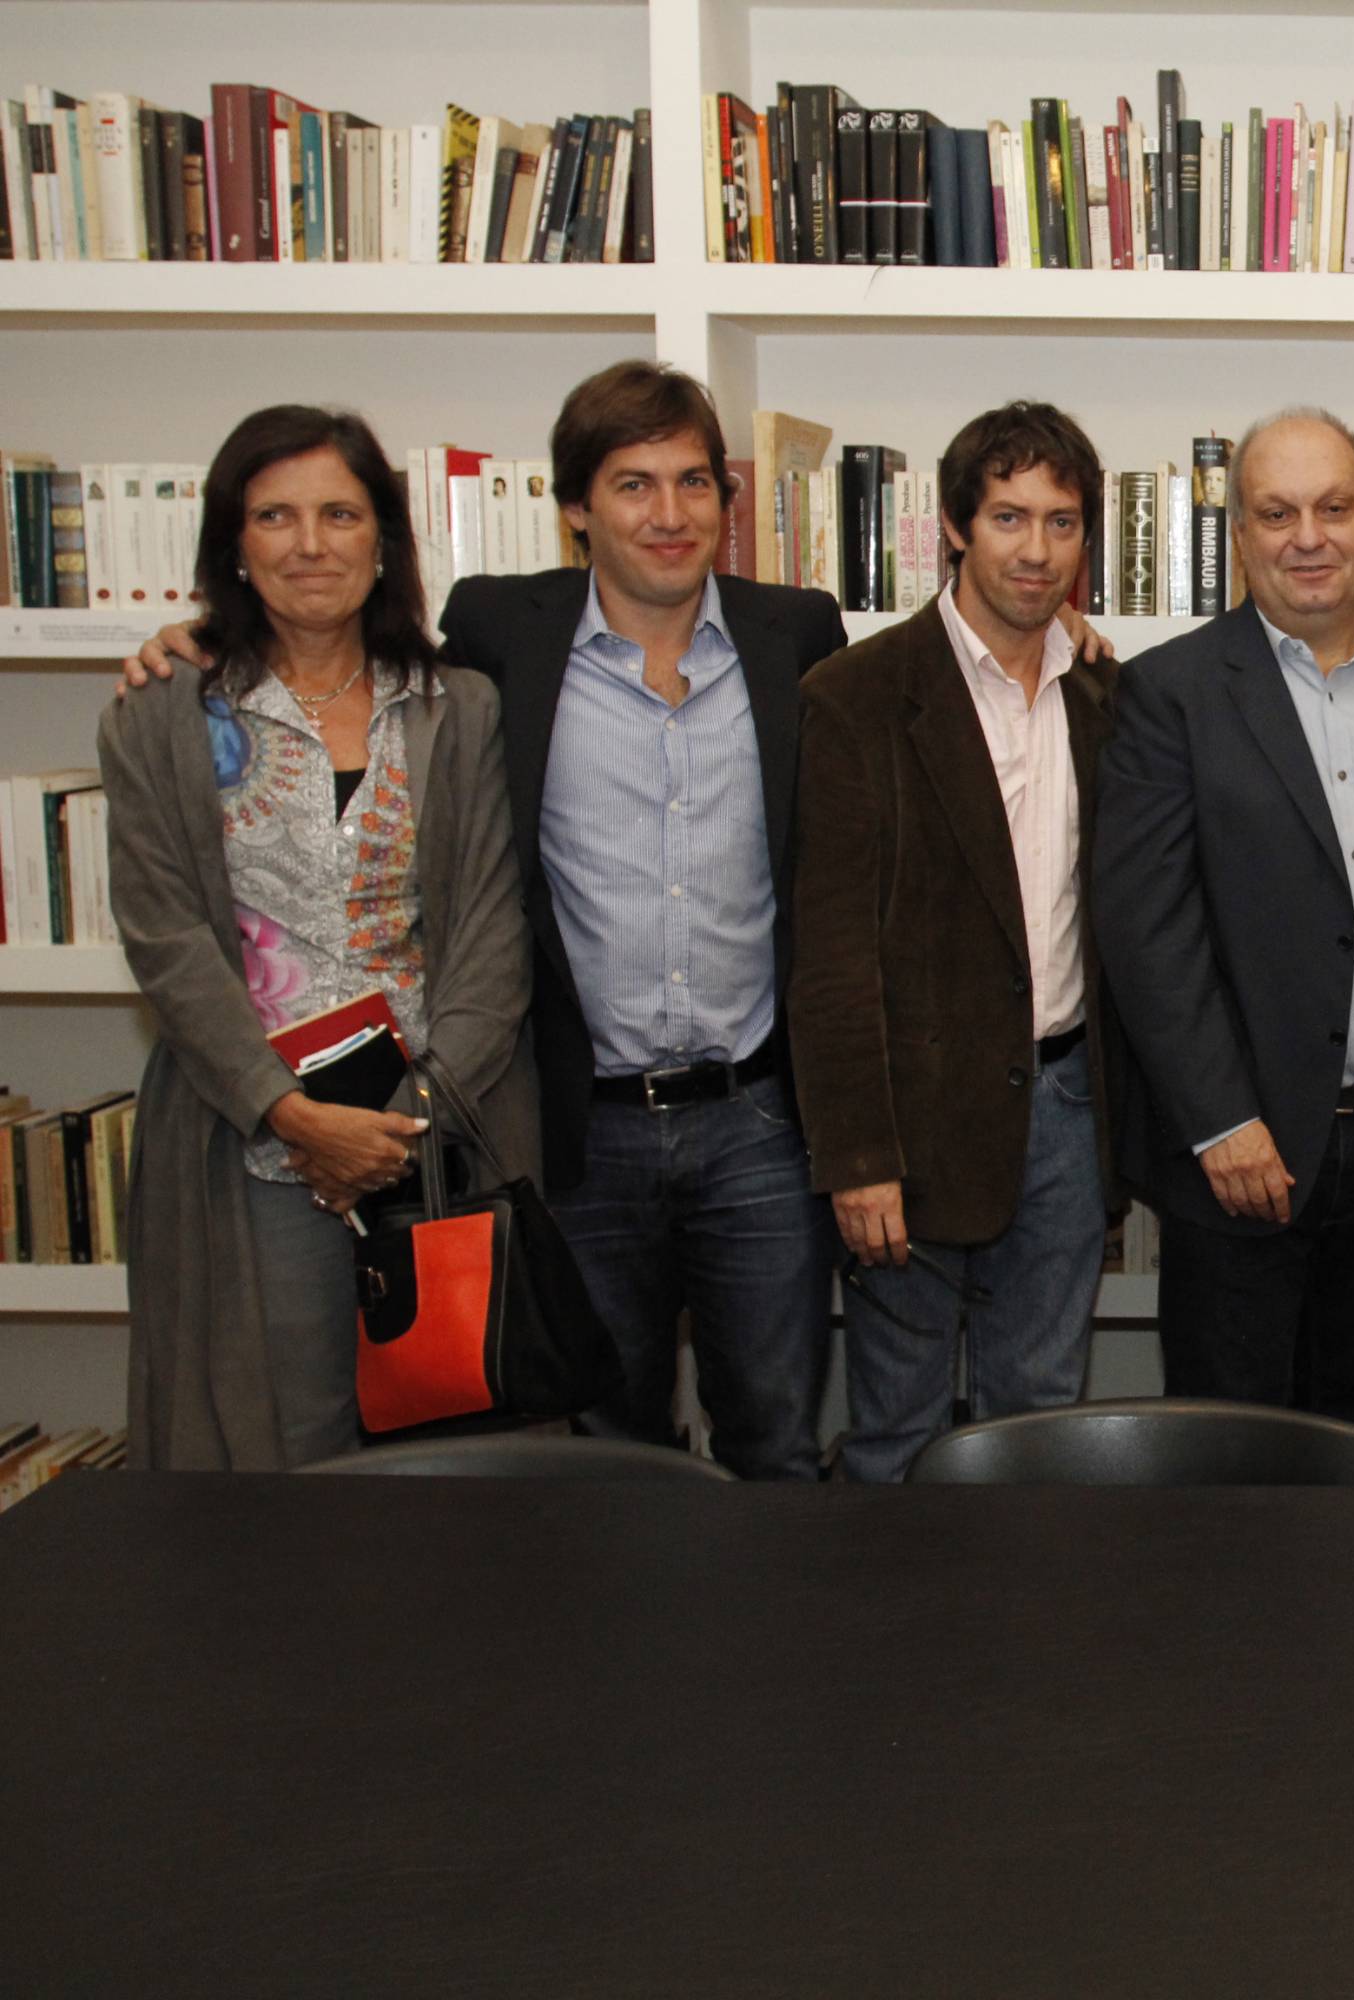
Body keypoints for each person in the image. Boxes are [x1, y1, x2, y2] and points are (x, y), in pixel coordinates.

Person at [130, 362, 852, 1479]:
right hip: (576, 1124)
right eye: (632, 484)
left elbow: (909, 720)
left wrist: (1061, 649)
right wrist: (184, 638)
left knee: (778, 1436)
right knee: (606, 1451)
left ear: (728, 499)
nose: (669, 514)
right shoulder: (496, 636)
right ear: (575, 508)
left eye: (694, 482)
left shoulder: (796, 632)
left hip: (750, 1118)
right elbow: (182, 907)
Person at [101, 405, 537, 1469]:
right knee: (282, 1456)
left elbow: (488, 932)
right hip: (252, 1150)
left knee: (453, 1454)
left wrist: (399, 1123)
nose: (310, 542)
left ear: (382, 538)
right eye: (275, 515)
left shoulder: (455, 706)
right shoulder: (165, 713)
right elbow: (164, 939)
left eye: (340, 513)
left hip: (438, 1143)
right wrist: (295, 1116)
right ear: (232, 543)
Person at [1094, 409, 1354, 1433]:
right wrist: (1221, 1122)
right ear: (1239, 537)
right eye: (1276, 513)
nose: (1308, 536)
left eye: (1333, 507)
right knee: (1233, 1464)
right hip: (1242, 1161)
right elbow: (1148, 926)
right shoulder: (1167, 694)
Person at [791, 403, 1120, 1482]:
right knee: (899, 1428)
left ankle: (1024, 1643)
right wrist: (857, 1154)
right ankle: (896, 1647)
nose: (1037, 550)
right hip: (911, 1120)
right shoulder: (857, 695)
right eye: (1010, 517)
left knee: (1041, 1417)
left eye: (1063, 522)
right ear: (952, 526)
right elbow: (831, 954)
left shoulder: (1110, 695)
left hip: (1067, 1105)